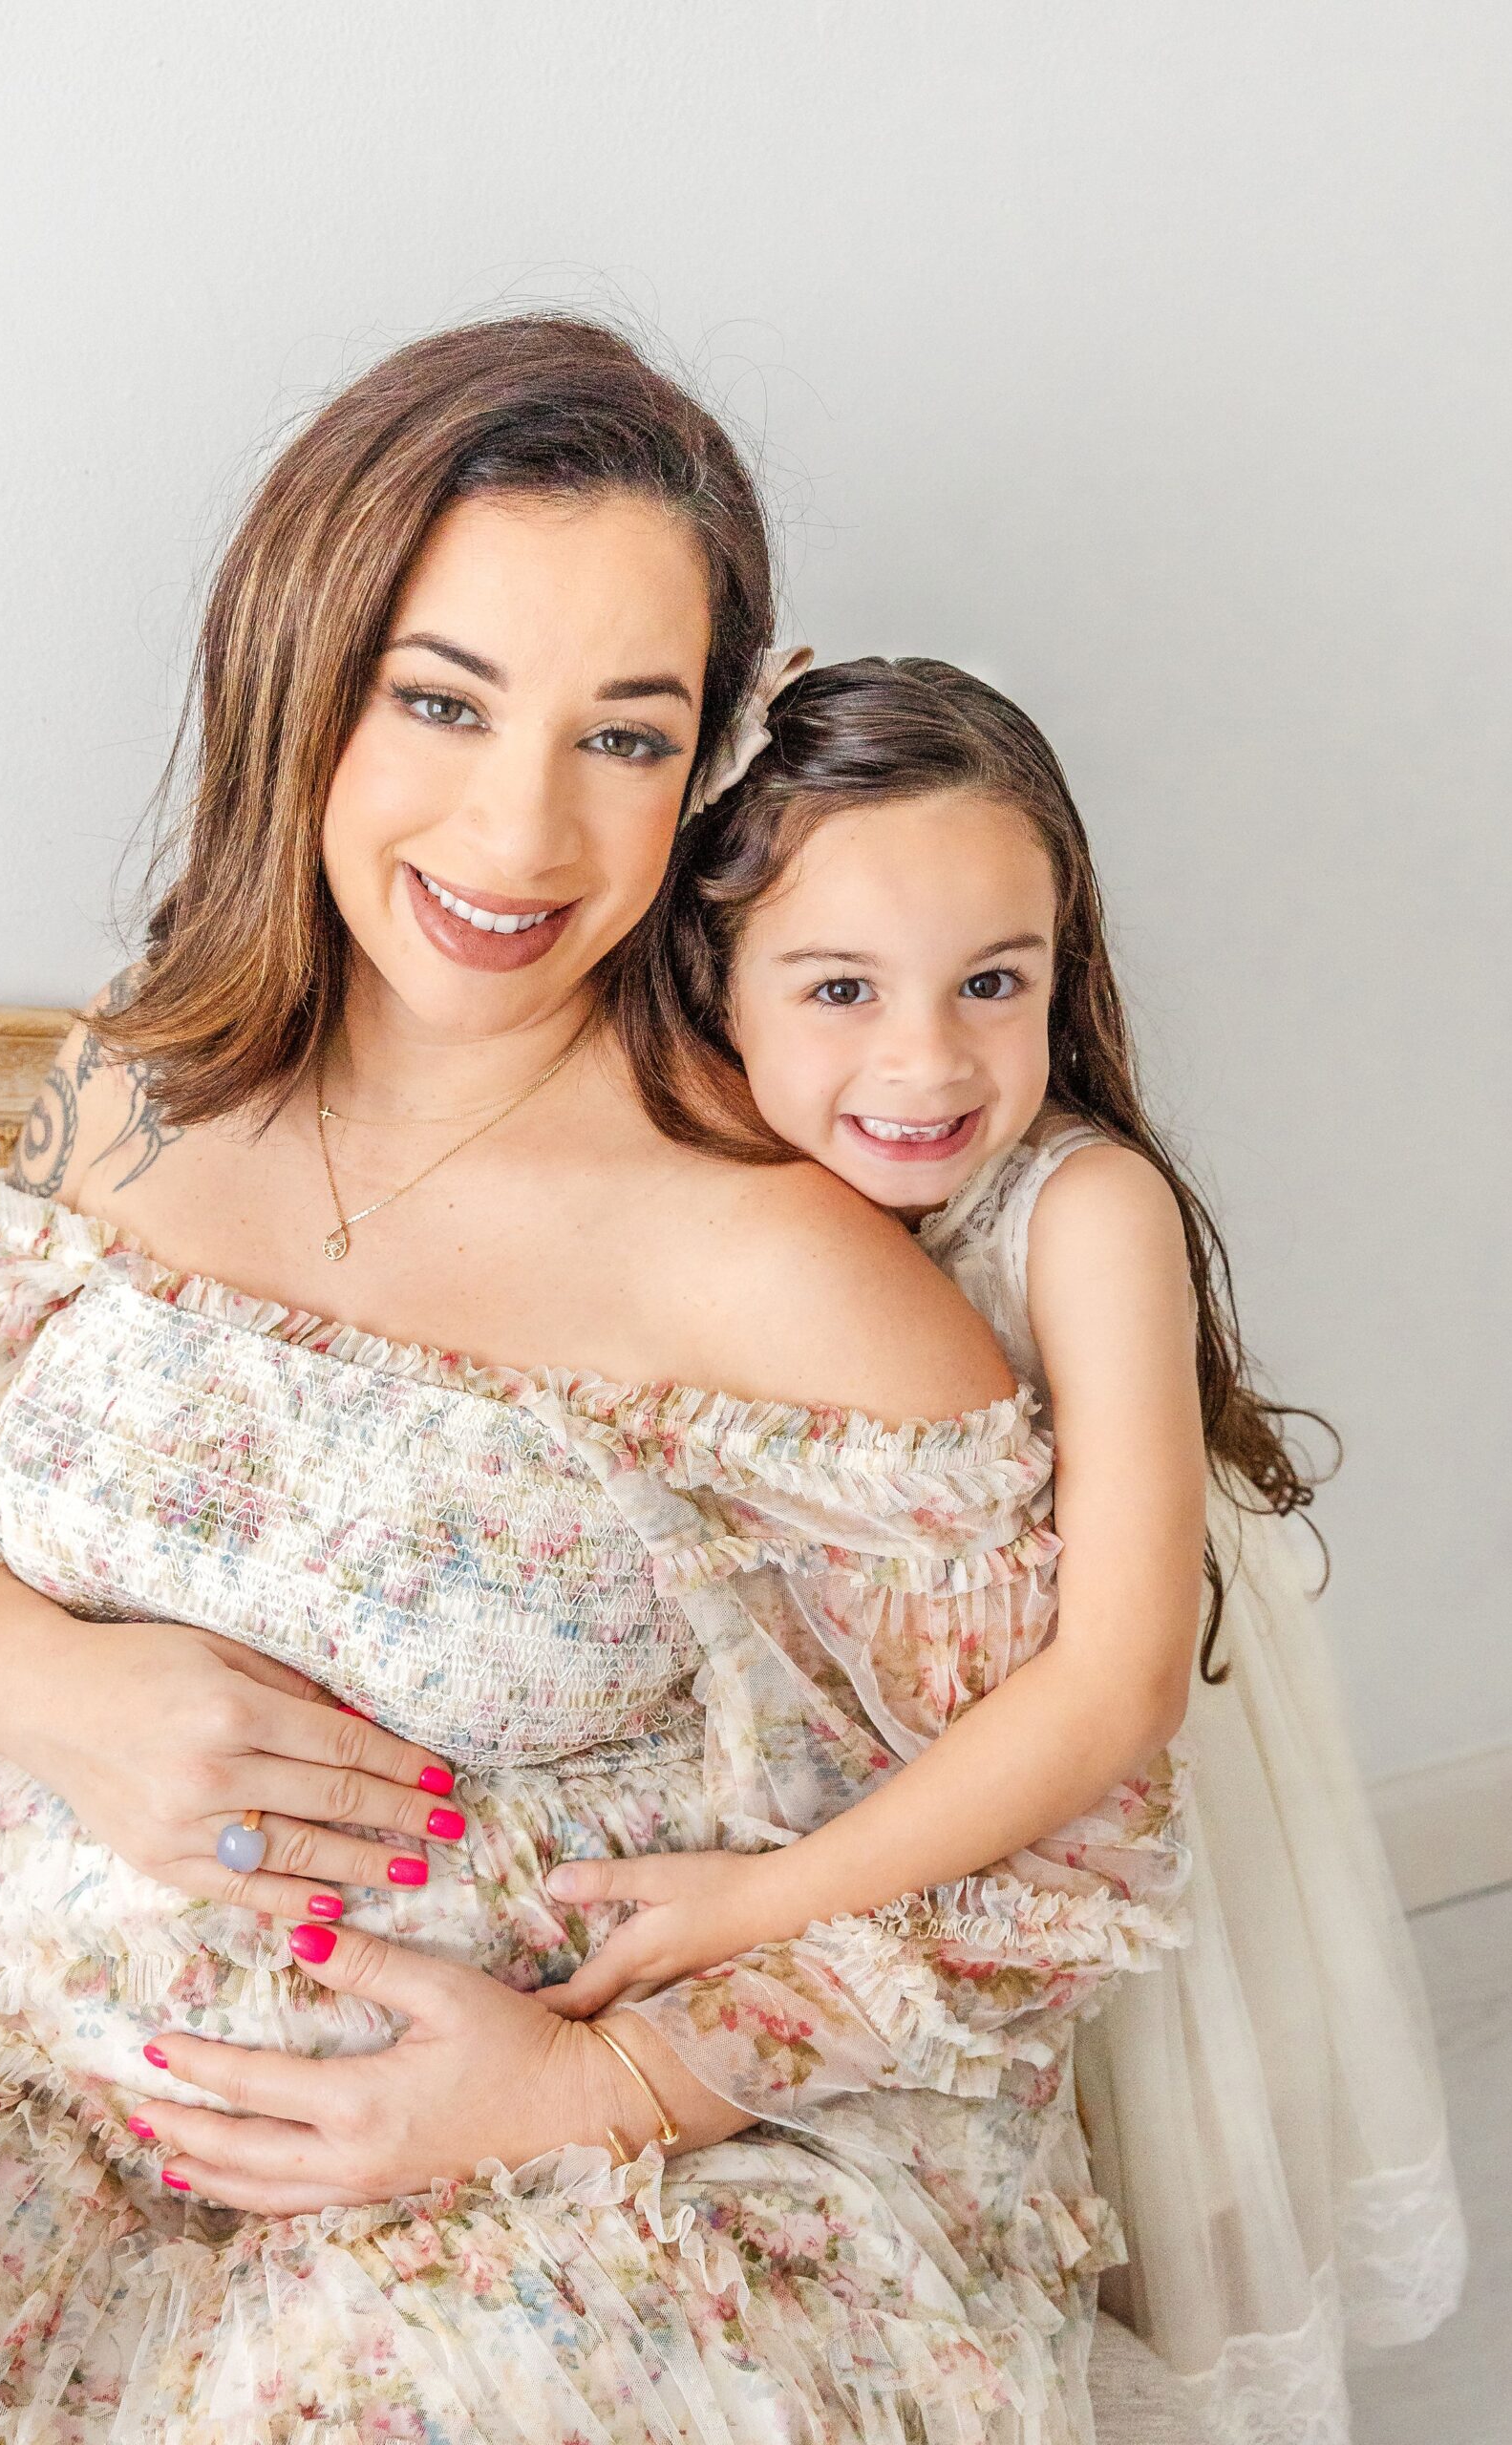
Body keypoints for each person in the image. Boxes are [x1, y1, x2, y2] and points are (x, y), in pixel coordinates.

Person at [0, 324, 1189, 2442]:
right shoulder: (144, 1081)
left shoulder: (790, 1266)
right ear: (300, 679)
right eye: (439, 698)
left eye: (624, 733)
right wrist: (18, 1668)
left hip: (556, 2205)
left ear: (704, 771)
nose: (519, 827)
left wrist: (590, 2082)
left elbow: (1046, 1855)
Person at [539, 655, 1468, 2443]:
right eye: (839, 987)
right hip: (878, 1718)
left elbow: (1111, 1689)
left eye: (992, 983)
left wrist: (764, 1905)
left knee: (1160, 2101)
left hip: (1093, 1725)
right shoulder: (710, 1189)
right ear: (712, 981)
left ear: (1065, 970)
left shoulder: (1078, 1210)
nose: (926, 1059)